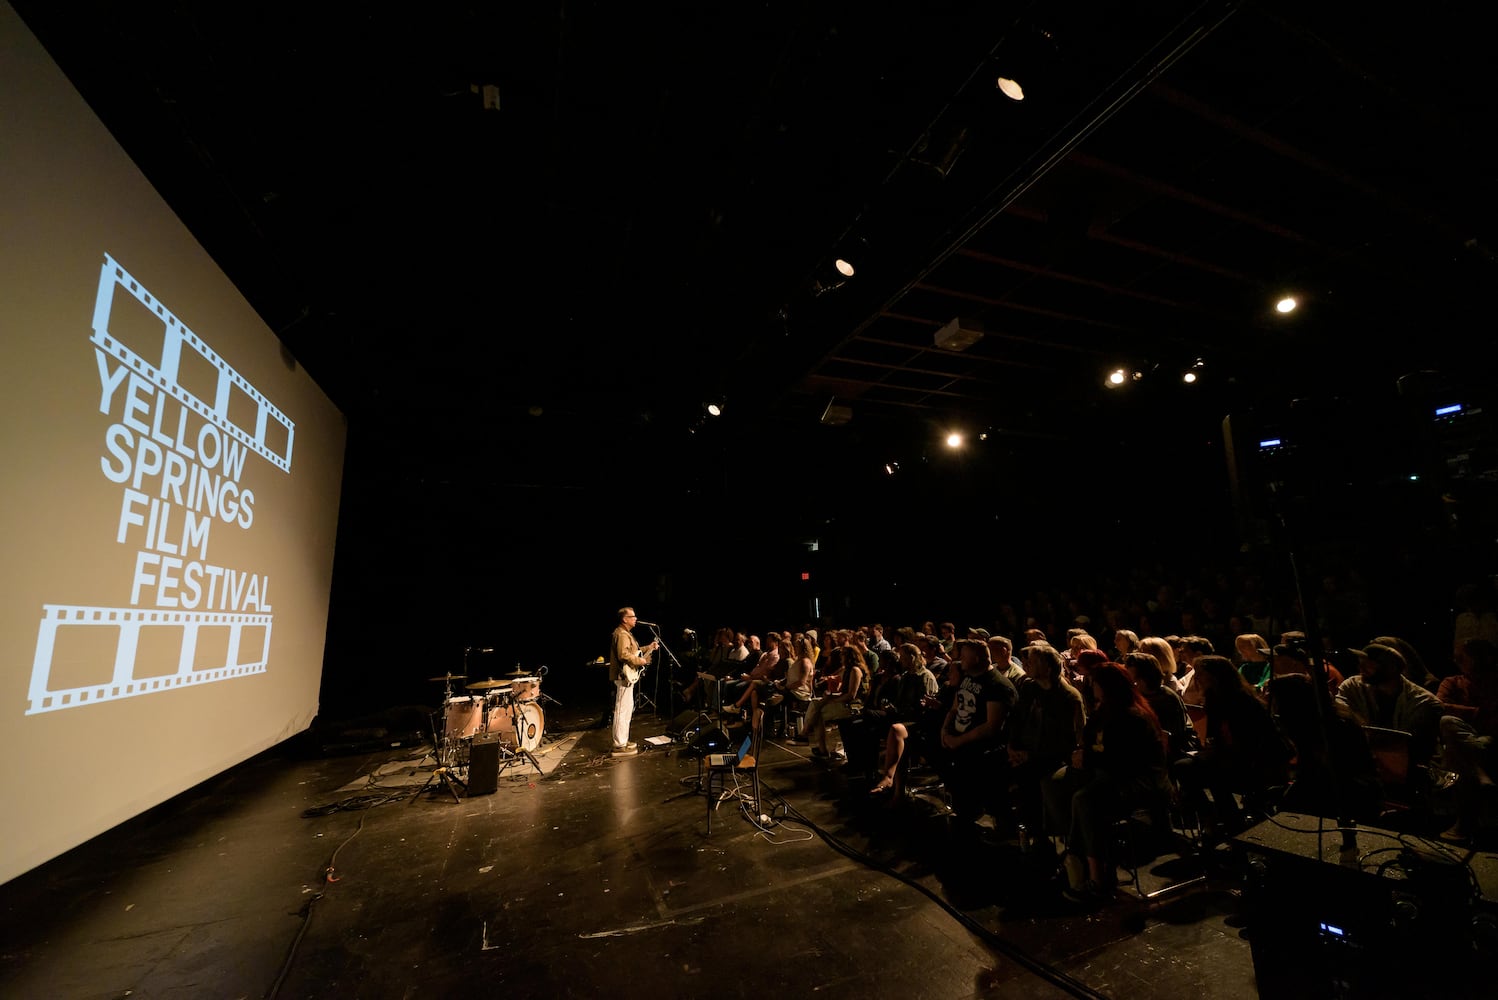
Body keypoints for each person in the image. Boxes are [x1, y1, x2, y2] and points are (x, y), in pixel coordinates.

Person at [608, 607, 657, 757]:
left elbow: (634, 651)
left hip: (626, 676)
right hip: (623, 676)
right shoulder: (622, 634)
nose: (636, 619)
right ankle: (618, 744)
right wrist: (640, 661)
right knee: (622, 709)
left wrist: (649, 647)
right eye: (632, 616)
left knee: (627, 708)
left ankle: (623, 740)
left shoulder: (626, 634)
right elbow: (623, 654)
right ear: (625, 619)